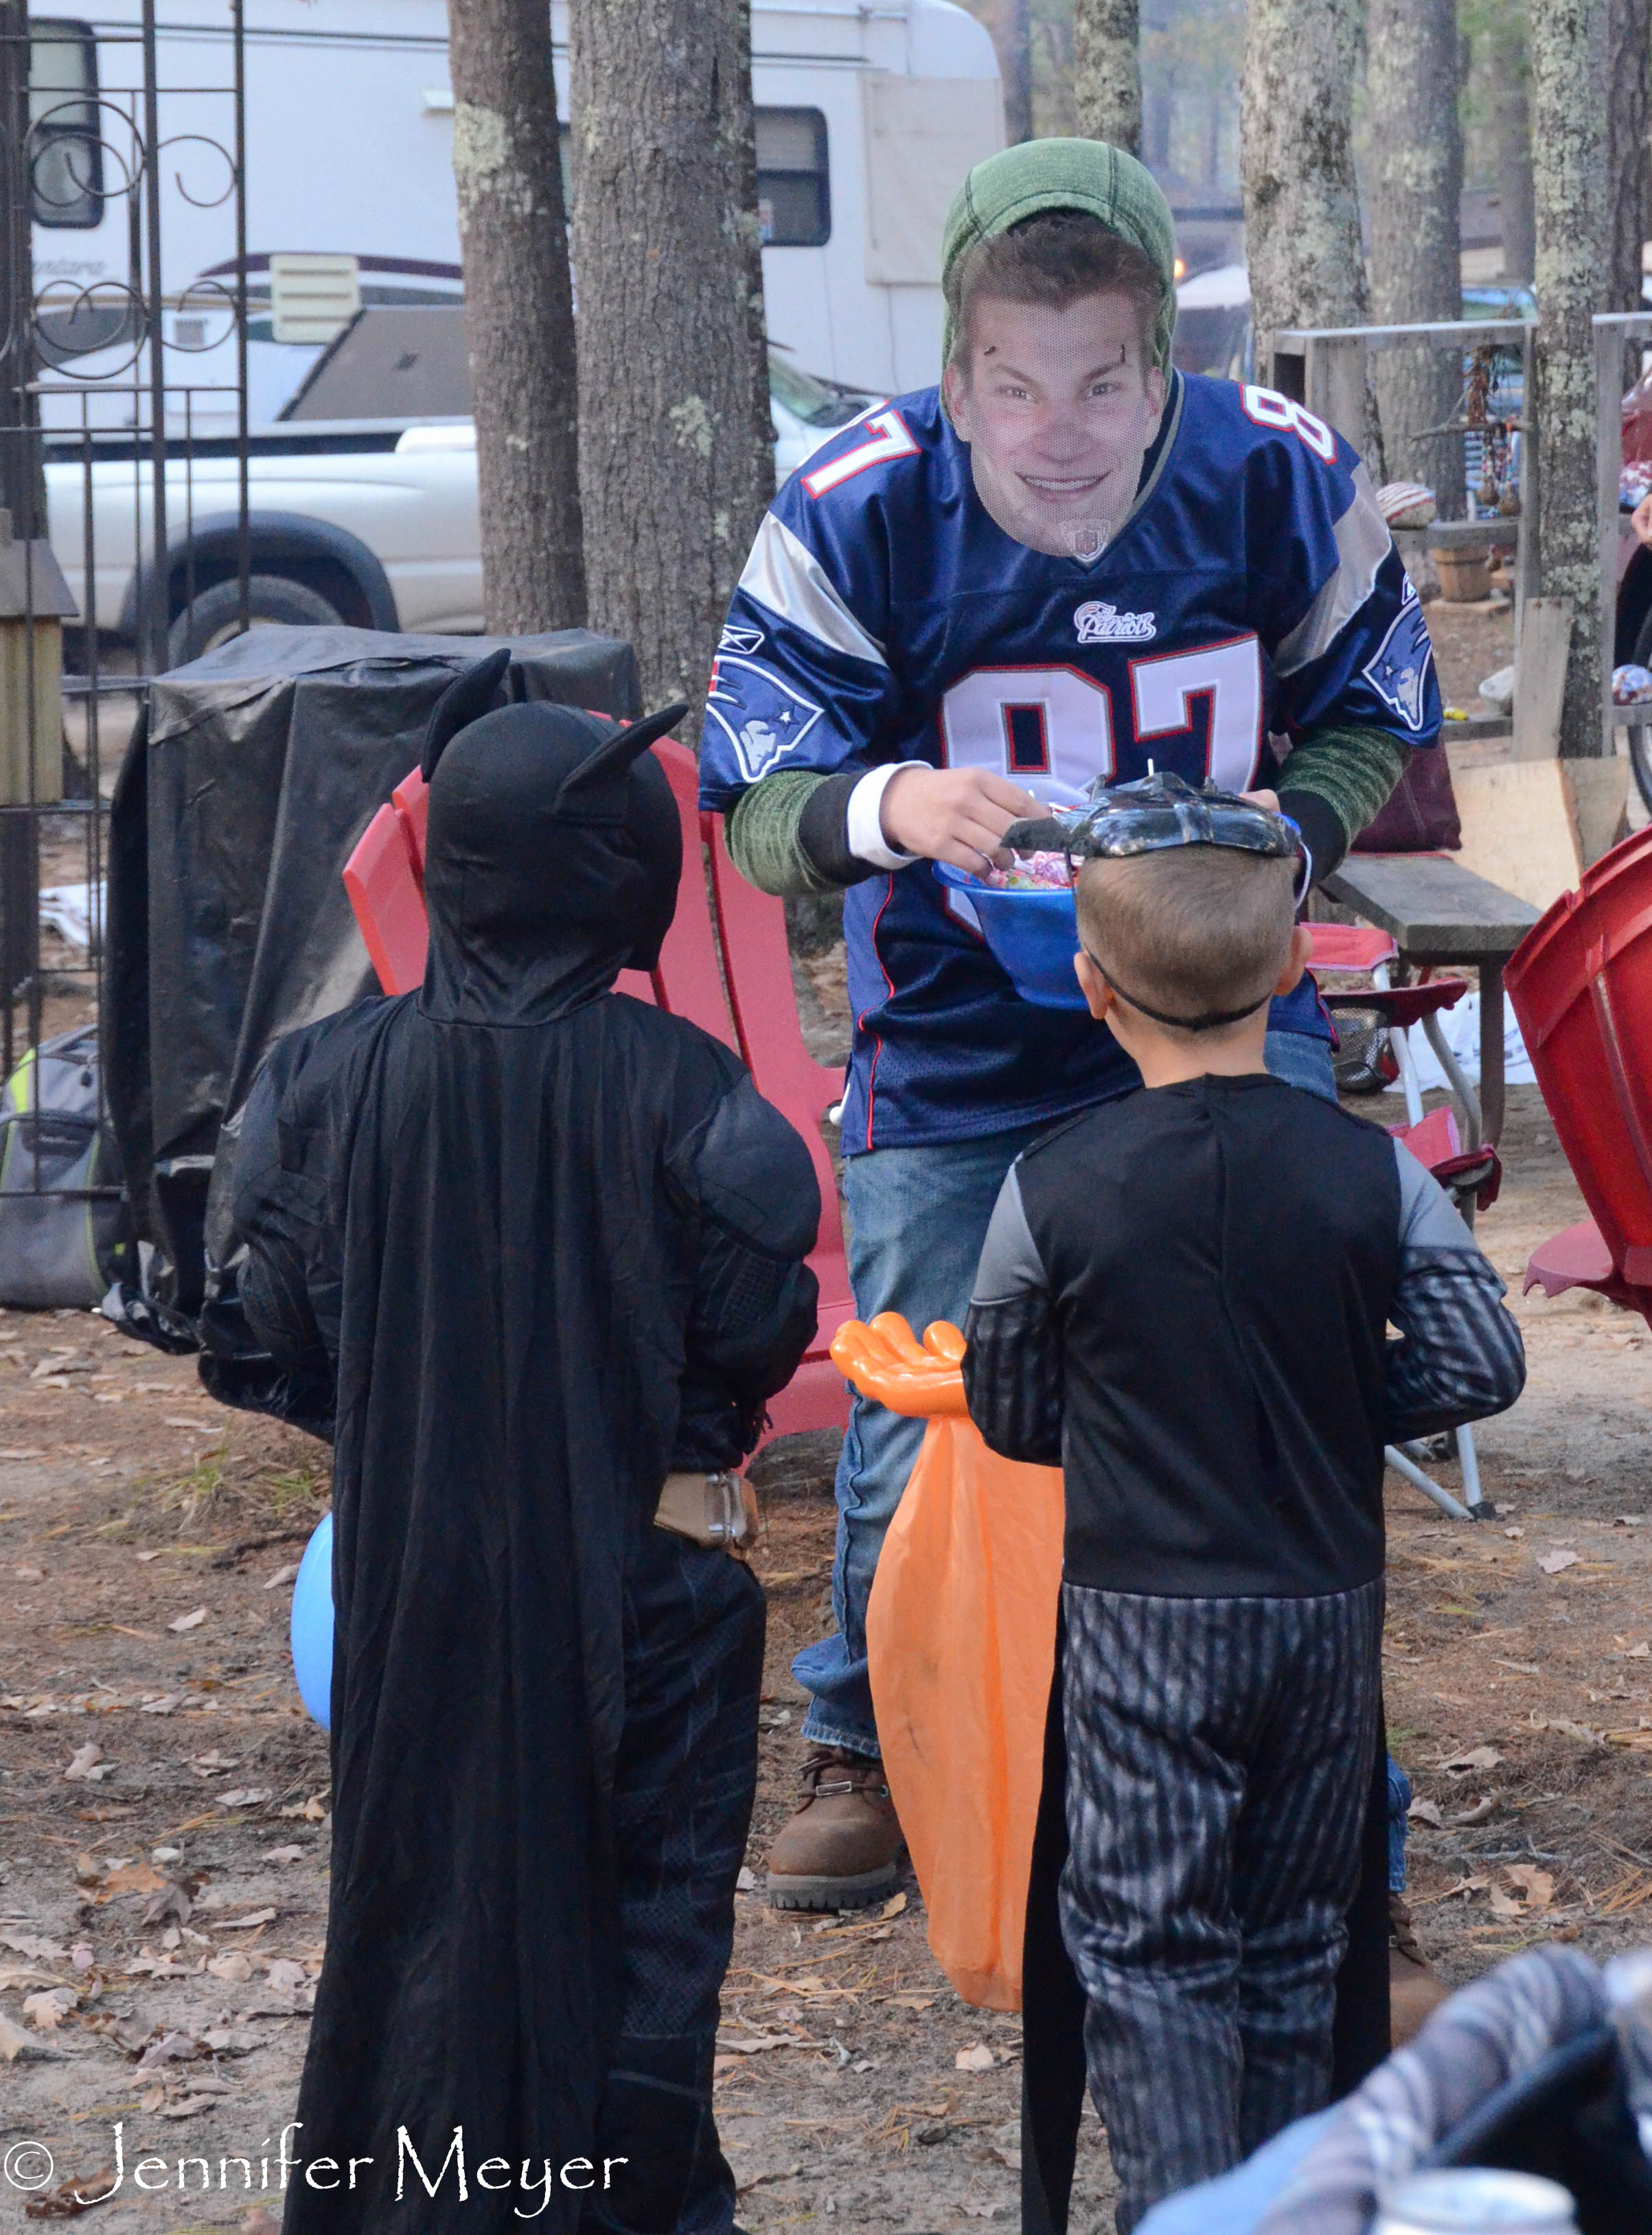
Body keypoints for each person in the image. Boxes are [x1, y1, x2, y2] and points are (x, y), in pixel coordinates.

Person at [698, 136, 1442, 1914]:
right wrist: (892, 808)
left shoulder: (1275, 473)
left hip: (1205, 1003)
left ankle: (1313, 1768)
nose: (1056, 426)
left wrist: (1290, 836)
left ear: (1157, 368)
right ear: (952, 375)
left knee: (1260, 1397)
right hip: (957, 1024)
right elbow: (753, 797)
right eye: (1011, 385)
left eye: (1101, 379)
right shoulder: (855, 503)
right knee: (916, 1400)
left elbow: (1368, 703)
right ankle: (867, 1739)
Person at [227, 651, 821, 2235]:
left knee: (416, 1917)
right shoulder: (691, 1095)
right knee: (645, 1936)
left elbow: (259, 1333)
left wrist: (423, 1422)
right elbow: (759, 1327)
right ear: (611, 868)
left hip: (413, 1580)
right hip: (656, 1584)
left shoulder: (317, 1082)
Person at [959, 777, 1526, 2234]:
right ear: (1290, 969)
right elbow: (1480, 1359)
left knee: (1151, 1954)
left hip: (1144, 1623)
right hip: (1322, 1617)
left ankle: (1190, 2211)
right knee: (1293, 1941)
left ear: (1087, 985)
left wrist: (1147, 1420)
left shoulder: (1048, 1186)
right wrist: (1329, 1406)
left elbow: (1012, 1409)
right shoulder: (1369, 1168)